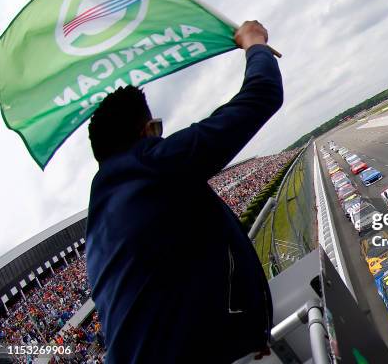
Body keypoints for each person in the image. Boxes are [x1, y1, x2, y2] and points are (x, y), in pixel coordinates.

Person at [85, 21, 282, 363]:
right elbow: (261, 96)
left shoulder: (101, 210)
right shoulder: (151, 167)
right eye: (158, 130)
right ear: (148, 131)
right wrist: (256, 44)